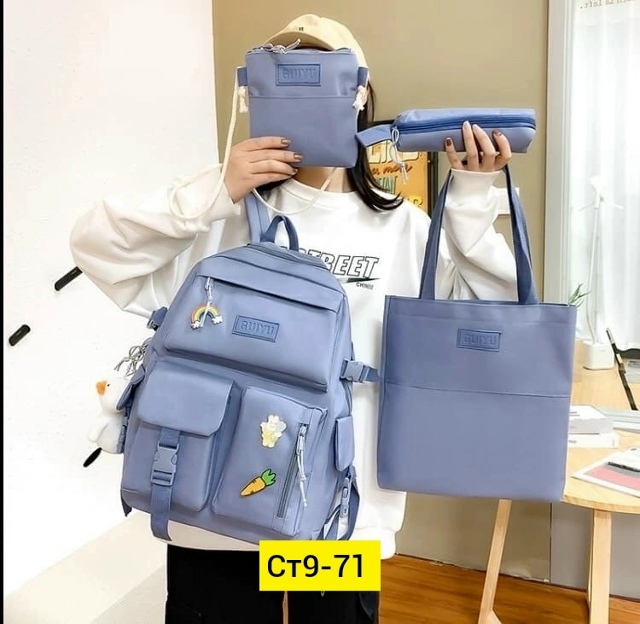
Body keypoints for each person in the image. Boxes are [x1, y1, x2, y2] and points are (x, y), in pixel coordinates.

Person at [70, 13, 519, 624]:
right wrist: (213, 189)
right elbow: (96, 246)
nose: (299, 94)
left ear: (358, 93)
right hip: (210, 512)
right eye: (279, 78)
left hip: (337, 519)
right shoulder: (222, 212)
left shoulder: (405, 230)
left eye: (319, 74)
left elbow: (495, 322)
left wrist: (469, 201)